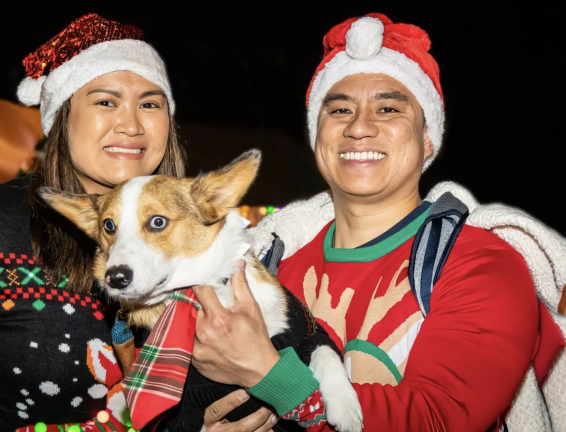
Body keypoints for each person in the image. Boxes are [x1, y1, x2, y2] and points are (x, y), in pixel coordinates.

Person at [0, 13, 276, 432]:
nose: (130, 124)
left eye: (150, 104)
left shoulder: (205, 241)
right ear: (61, 119)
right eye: (106, 102)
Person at [192, 13, 565, 432]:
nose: (359, 127)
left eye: (388, 108)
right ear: (318, 136)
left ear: (428, 140)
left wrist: (271, 377)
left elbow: (438, 418)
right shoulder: (267, 268)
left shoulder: (481, 263)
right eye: (339, 110)